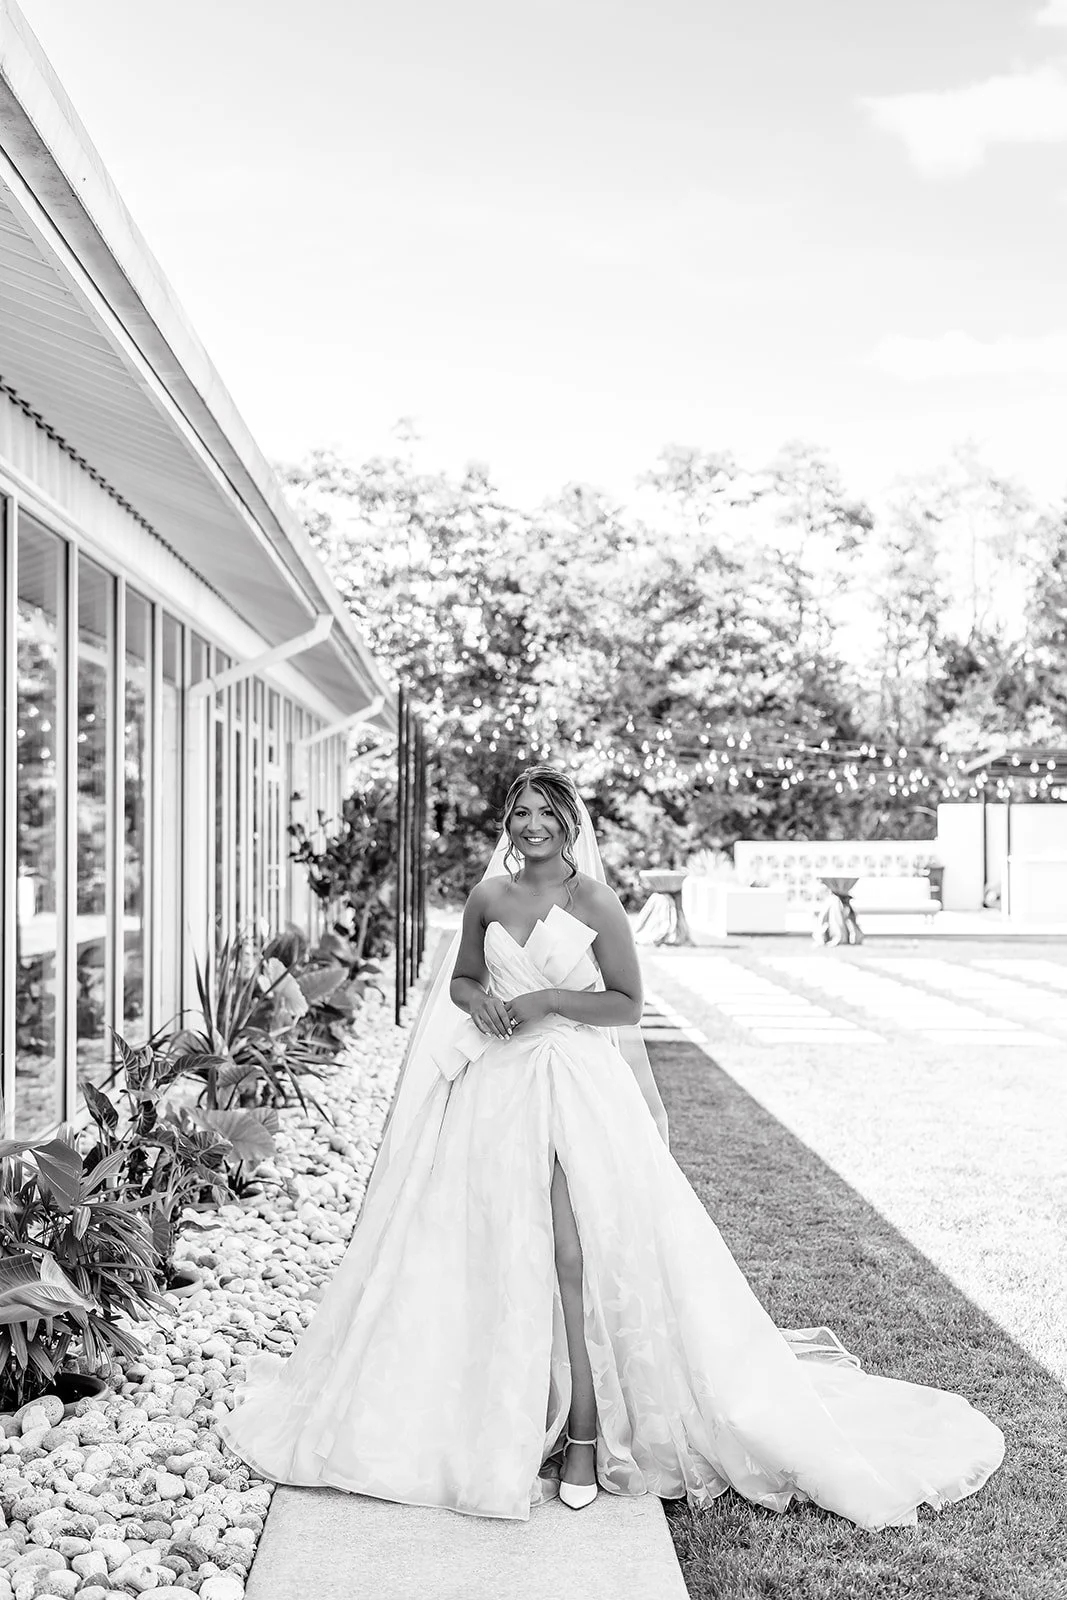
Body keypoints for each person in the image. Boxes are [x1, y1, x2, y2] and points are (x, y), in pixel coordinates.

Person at [220, 765, 1004, 1527]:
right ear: (509, 823)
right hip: (494, 1091)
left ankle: (586, 1440)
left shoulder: (594, 901)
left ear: (569, 823)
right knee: (490, 1247)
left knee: (571, 1254)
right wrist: (484, 1004)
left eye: (546, 814)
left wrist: (549, 998)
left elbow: (625, 1002)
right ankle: (502, 1418)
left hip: (573, 1086)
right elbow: (459, 980)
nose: (531, 826)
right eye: (520, 813)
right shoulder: (488, 894)